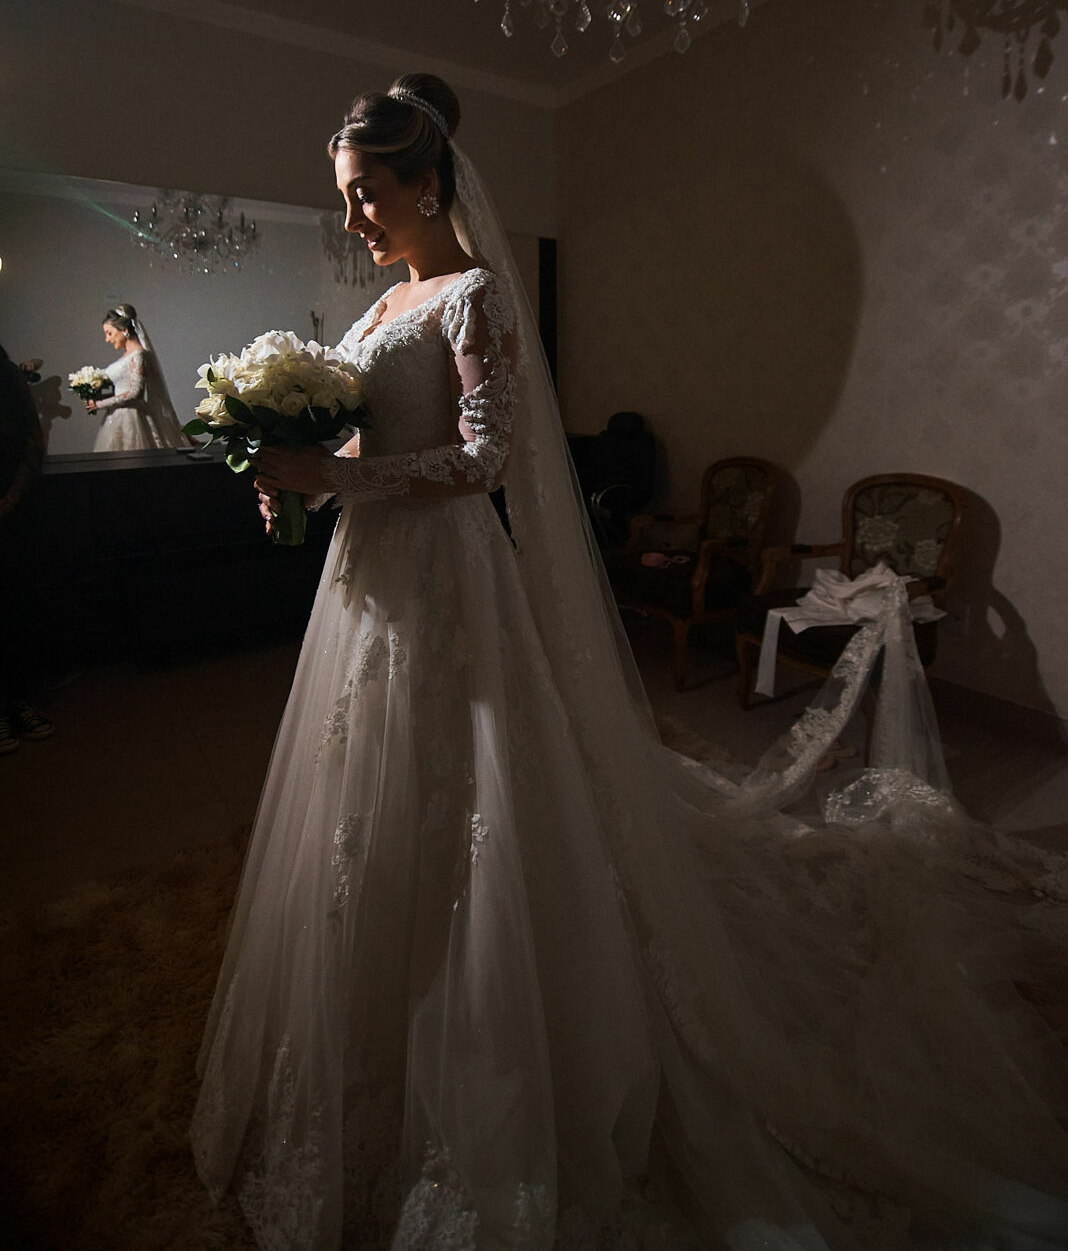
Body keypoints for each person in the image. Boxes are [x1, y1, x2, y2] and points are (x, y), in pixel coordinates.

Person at [191, 75, 1068, 1251]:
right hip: (370, 579)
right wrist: (290, 462)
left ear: (429, 181)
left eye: (366, 195)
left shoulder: (477, 297)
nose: (353, 221)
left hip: (447, 569)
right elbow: (362, 431)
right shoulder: (374, 311)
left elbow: (489, 458)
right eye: (345, 200)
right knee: (367, 780)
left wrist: (339, 478)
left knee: (481, 779)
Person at [0, 344, 53, 752]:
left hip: (9, 507)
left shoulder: (6, 375)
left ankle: (16, 700)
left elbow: (30, 436)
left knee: (13, 608)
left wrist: (11, 497)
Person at [87, 303, 190, 451]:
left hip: (132, 418)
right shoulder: (126, 356)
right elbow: (121, 388)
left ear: (124, 330)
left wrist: (99, 404)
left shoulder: (139, 355)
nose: (107, 339)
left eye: (109, 333)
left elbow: (135, 393)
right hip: (115, 418)